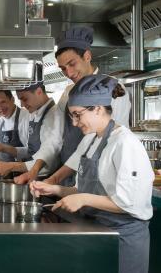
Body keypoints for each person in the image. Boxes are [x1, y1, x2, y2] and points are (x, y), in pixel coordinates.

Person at [30, 74, 153, 273]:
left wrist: (83, 199)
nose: (75, 123)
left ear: (97, 108)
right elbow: (83, 189)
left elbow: (130, 202)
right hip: (99, 233)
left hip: (122, 238)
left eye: (78, 115)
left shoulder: (125, 143)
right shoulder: (91, 139)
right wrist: (53, 189)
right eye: (72, 116)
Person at [45, 26, 131, 186]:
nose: (69, 73)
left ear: (87, 56)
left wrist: (55, 178)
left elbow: (102, 140)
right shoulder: (68, 91)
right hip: (68, 175)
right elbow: (55, 136)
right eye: (63, 68)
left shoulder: (111, 88)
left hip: (98, 176)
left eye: (72, 64)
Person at [0, 82, 63, 183]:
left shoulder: (54, 115)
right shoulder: (35, 114)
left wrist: (11, 166)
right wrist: (4, 148)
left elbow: (49, 154)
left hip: (46, 180)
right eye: (20, 100)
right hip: (33, 177)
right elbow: (31, 151)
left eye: (24, 99)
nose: (22, 105)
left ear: (39, 91)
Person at [0, 90, 29, 164]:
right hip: (4, 172)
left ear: (12, 100)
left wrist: (5, 148)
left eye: (3, 102)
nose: (0, 107)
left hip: (23, 171)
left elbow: (32, 151)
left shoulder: (26, 117)